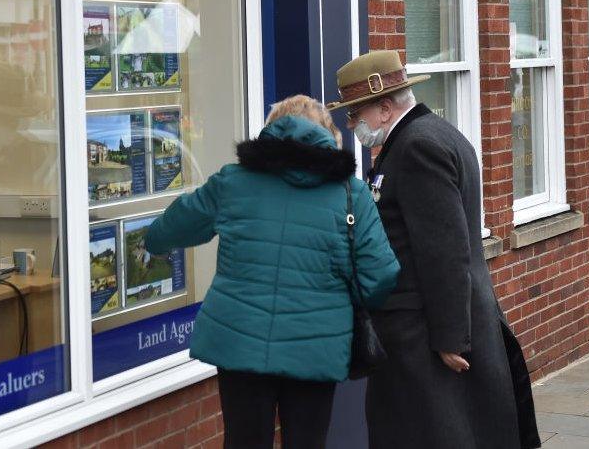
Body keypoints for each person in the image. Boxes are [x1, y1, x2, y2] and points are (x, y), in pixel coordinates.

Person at [145, 95, 400, 449]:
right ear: (328, 135)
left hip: (240, 343)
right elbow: (382, 274)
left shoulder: (232, 182)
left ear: (271, 130)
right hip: (316, 345)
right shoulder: (350, 194)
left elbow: (167, 231)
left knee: (244, 441)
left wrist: (148, 243)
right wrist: (342, 304)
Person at [327, 51, 541, 449]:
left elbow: (443, 249)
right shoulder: (434, 134)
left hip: (425, 334)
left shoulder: (417, 148)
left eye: (356, 115)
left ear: (386, 108)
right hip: (434, 324)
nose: (352, 125)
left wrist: (450, 338)